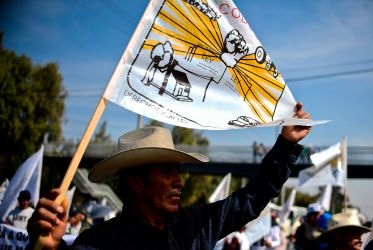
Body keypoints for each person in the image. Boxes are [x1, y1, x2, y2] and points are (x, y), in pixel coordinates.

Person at [27, 102, 311, 250]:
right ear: (136, 183)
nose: (180, 181)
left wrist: (286, 145)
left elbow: (253, 197)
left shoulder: (196, 224)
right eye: (167, 171)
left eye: (178, 171)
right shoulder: (98, 242)